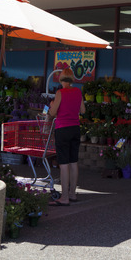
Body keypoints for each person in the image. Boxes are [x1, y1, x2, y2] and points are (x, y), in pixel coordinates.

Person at [46, 68, 85, 206]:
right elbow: (83, 110)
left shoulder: (60, 93)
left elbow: (52, 112)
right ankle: (73, 194)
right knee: (73, 162)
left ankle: (64, 197)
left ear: (61, 79)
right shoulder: (78, 92)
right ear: (72, 79)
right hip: (75, 128)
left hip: (62, 129)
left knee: (64, 164)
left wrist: (51, 106)